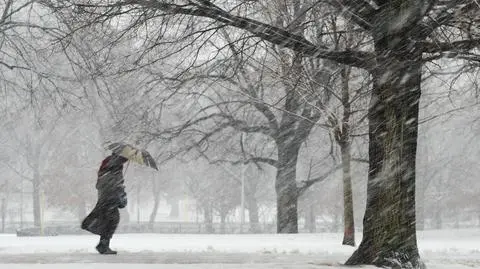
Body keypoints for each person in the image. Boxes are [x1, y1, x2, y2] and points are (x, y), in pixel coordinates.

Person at [81, 153, 128, 254]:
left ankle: (103, 244)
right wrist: (120, 190)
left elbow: (102, 184)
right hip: (109, 199)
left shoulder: (109, 166)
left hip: (106, 199)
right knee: (112, 221)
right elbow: (114, 184)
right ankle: (103, 245)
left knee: (109, 221)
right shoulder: (115, 167)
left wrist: (119, 186)